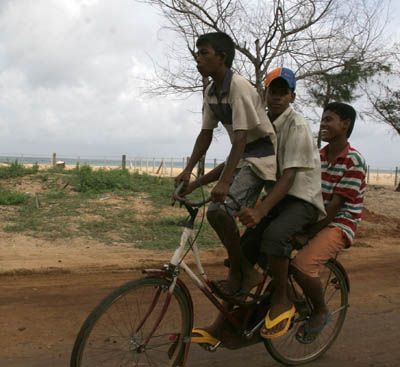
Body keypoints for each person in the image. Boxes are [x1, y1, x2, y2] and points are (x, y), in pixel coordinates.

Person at [175, 32, 277, 298]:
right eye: (197, 54)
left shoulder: (239, 87)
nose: (198, 59)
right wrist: (188, 171)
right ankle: (243, 270)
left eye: (204, 53)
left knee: (218, 211)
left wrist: (225, 181)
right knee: (217, 211)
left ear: (222, 58)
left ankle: (241, 271)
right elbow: (205, 134)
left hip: (262, 157)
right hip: (245, 156)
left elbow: (242, 138)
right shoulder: (211, 91)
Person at [237, 67, 326, 339]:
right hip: (279, 198)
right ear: (264, 94)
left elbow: (289, 177)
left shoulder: (297, 125)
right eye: (272, 91)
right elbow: (244, 159)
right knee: (247, 244)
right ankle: (237, 319)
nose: (276, 97)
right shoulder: (262, 125)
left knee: (274, 238)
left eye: (282, 92)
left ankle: (283, 301)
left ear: (292, 96)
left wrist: (262, 209)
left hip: (301, 199)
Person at [291, 102, 367, 343]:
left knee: (301, 265)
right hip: (315, 217)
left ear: (345, 125)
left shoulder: (354, 161)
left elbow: (335, 208)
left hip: (339, 223)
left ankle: (321, 310)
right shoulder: (318, 156)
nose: (323, 124)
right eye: (322, 120)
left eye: (329, 119)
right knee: (272, 251)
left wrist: (307, 233)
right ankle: (296, 303)